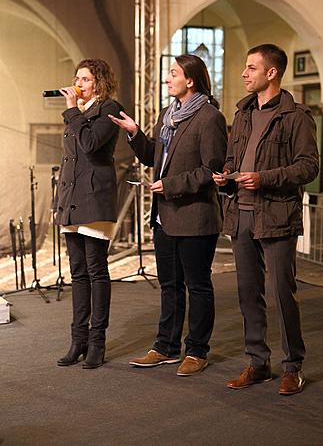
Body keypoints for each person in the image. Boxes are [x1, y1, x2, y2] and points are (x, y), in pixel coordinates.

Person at [110, 54, 228, 376]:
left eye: (173, 73)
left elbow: (212, 170)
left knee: (198, 286)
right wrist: (135, 133)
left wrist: (170, 184)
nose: (167, 78)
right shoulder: (167, 115)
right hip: (164, 217)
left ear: (190, 80)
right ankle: (165, 347)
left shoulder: (209, 118)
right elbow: (153, 158)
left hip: (195, 216)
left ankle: (197, 351)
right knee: (169, 285)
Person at [213, 44, 319, 394]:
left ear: (271, 73)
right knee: (248, 294)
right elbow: (233, 156)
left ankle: (293, 367)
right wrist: (226, 173)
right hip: (240, 213)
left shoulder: (296, 116)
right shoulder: (243, 113)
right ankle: (257, 362)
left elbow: (308, 166)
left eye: (251, 68)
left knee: (282, 292)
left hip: (276, 214)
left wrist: (264, 177)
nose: (244, 74)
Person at [56, 58, 122, 369]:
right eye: (76, 78)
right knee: (78, 272)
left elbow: (91, 144)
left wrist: (72, 111)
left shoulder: (109, 109)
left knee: (96, 271)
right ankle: (78, 340)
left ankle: (97, 341)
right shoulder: (78, 114)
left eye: (84, 78)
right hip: (71, 199)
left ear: (98, 83)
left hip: (95, 199)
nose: (78, 83)